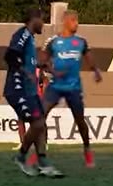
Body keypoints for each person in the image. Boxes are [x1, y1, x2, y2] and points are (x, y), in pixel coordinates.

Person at [38, 10, 103, 169]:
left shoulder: (81, 41)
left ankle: (87, 149)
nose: (77, 23)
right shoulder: (53, 41)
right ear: (66, 21)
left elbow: (89, 58)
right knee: (40, 117)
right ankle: (40, 153)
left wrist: (95, 70)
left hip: (73, 87)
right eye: (74, 20)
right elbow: (42, 60)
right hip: (55, 86)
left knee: (80, 120)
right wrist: (51, 70)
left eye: (77, 20)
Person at [7, 10, 60, 177]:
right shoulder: (23, 34)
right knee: (37, 123)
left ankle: (43, 162)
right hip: (18, 89)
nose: (43, 24)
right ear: (34, 20)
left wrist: (44, 67)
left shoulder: (30, 39)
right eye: (42, 20)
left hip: (29, 91)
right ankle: (21, 156)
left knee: (41, 123)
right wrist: (25, 71)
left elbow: (29, 61)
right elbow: (10, 55)